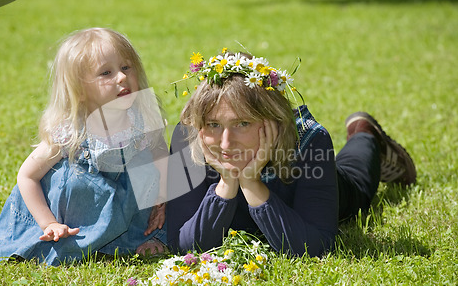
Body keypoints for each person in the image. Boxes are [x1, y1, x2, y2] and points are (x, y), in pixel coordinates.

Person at [166, 50, 416, 257]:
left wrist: (251, 184)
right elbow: (182, 244)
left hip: (330, 189)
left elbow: (316, 246)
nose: (225, 143)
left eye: (242, 123)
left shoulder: (310, 142)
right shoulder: (188, 137)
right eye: (214, 124)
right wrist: (227, 183)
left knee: (357, 184)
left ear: (271, 120)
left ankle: (366, 134)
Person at [0, 28, 168, 266]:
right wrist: (48, 223)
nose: (121, 77)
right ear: (80, 91)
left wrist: (161, 198)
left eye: (126, 67)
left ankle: (143, 236)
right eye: (106, 73)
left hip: (127, 211)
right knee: (76, 178)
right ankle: (75, 239)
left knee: (147, 173)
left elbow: (162, 157)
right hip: (78, 215)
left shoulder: (142, 120)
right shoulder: (70, 131)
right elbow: (27, 176)